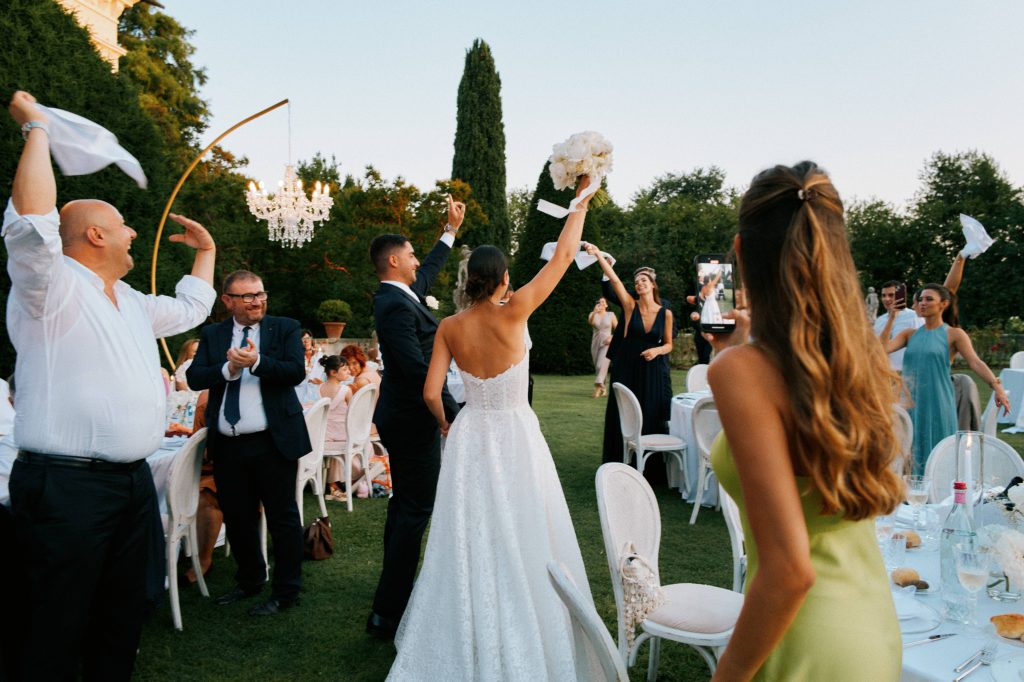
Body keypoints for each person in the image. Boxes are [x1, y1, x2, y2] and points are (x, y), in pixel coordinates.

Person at [4, 90, 217, 679]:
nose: (131, 235)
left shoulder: (128, 300)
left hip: (128, 487)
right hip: (65, 490)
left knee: (122, 617)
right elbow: (31, 224)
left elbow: (192, 308)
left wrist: (206, 251)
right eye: (122, 227)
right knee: (51, 625)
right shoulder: (49, 288)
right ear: (94, 236)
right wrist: (38, 131)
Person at [387, 177, 601, 681]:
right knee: (527, 527)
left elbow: (429, 391)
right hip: (515, 434)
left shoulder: (449, 326)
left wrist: (446, 424)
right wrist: (582, 201)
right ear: (503, 278)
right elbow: (565, 257)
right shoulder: (518, 309)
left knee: (468, 534)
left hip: (470, 436)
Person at [706, 161, 904, 680]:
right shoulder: (855, 363)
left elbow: (790, 570)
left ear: (742, 252)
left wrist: (729, 672)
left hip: (802, 637)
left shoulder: (740, 372)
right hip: (871, 625)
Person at [365, 195, 465, 639]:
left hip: (403, 415)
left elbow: (429, 272)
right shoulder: (391, 305)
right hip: (410, 419)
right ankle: (388, 612)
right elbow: (413, 368)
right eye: (409, 254)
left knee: (404, 505)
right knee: (415, 509)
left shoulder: (403, 293)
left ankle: (391, 592)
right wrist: (448, 410)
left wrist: (450, 231)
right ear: (392, 260)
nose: (415, 260)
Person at [186, 270, 311, 616]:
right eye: (247, 296)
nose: (257, 301)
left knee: (282, 516)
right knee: (239, 517)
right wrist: (228, 370)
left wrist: (256, 362)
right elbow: (195, 377)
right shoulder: (213, 334)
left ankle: (286, 591)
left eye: (260, 294)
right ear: (227, 301)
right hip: (228, 444)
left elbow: (294, 372)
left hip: (273, 441)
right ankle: (250, 579)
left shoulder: (283, 328)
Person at [880, 283, 1010, 473]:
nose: (923, 303)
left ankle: (938, 492)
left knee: (938, 450)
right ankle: (911, 496)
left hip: (938, 400)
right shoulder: (909, 334)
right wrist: (892, 318)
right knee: (907, 447)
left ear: (944, 304)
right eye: (921, 299)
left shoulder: (954, 334)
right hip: (909, 401)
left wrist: (997, 387)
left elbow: (975, 362)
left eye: (929, 299)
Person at [588, 249, 674, 468]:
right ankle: (620, 461)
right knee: (624, 413)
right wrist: (598, 256)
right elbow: (615, 280)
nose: (639, 283)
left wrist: (657, 351)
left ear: (653, 284)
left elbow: (669, 344)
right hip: (627, 367)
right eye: (636, 281)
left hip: (652, 368)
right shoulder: (629, 306)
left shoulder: (666, 313)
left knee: (651, 412)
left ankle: (651, 466)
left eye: (644, 280)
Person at [318, 355, 368, 502]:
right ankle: (349, 482)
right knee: (364, 446)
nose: (348, 371)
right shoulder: (345, 390)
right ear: (333, 372)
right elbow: (353, 414)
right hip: (342, 434)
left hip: (325, 434)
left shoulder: (319, 388)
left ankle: (333, 485)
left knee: (335, 456)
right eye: (345, 369)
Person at [873, 281, 922, 371]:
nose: (886, 299)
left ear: (901, 296)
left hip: (907, 372)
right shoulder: (879, 321)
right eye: (884, 295)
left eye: (891, 295)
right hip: (884, 372)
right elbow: (877, 348)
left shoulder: (914, 316)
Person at [588, 297, 617, 398]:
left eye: (603, 302)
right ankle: (603, 388)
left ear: (606, 305)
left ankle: (597, 388)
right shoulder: (592, 314)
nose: (601, 303)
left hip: (607, 343)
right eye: (599, 302)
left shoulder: (611, 315)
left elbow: (618, 330)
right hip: (595, 342)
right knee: (598, 366)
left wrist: (612, 338)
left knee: (601, 365)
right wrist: (595, 312)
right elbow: (590, 322)